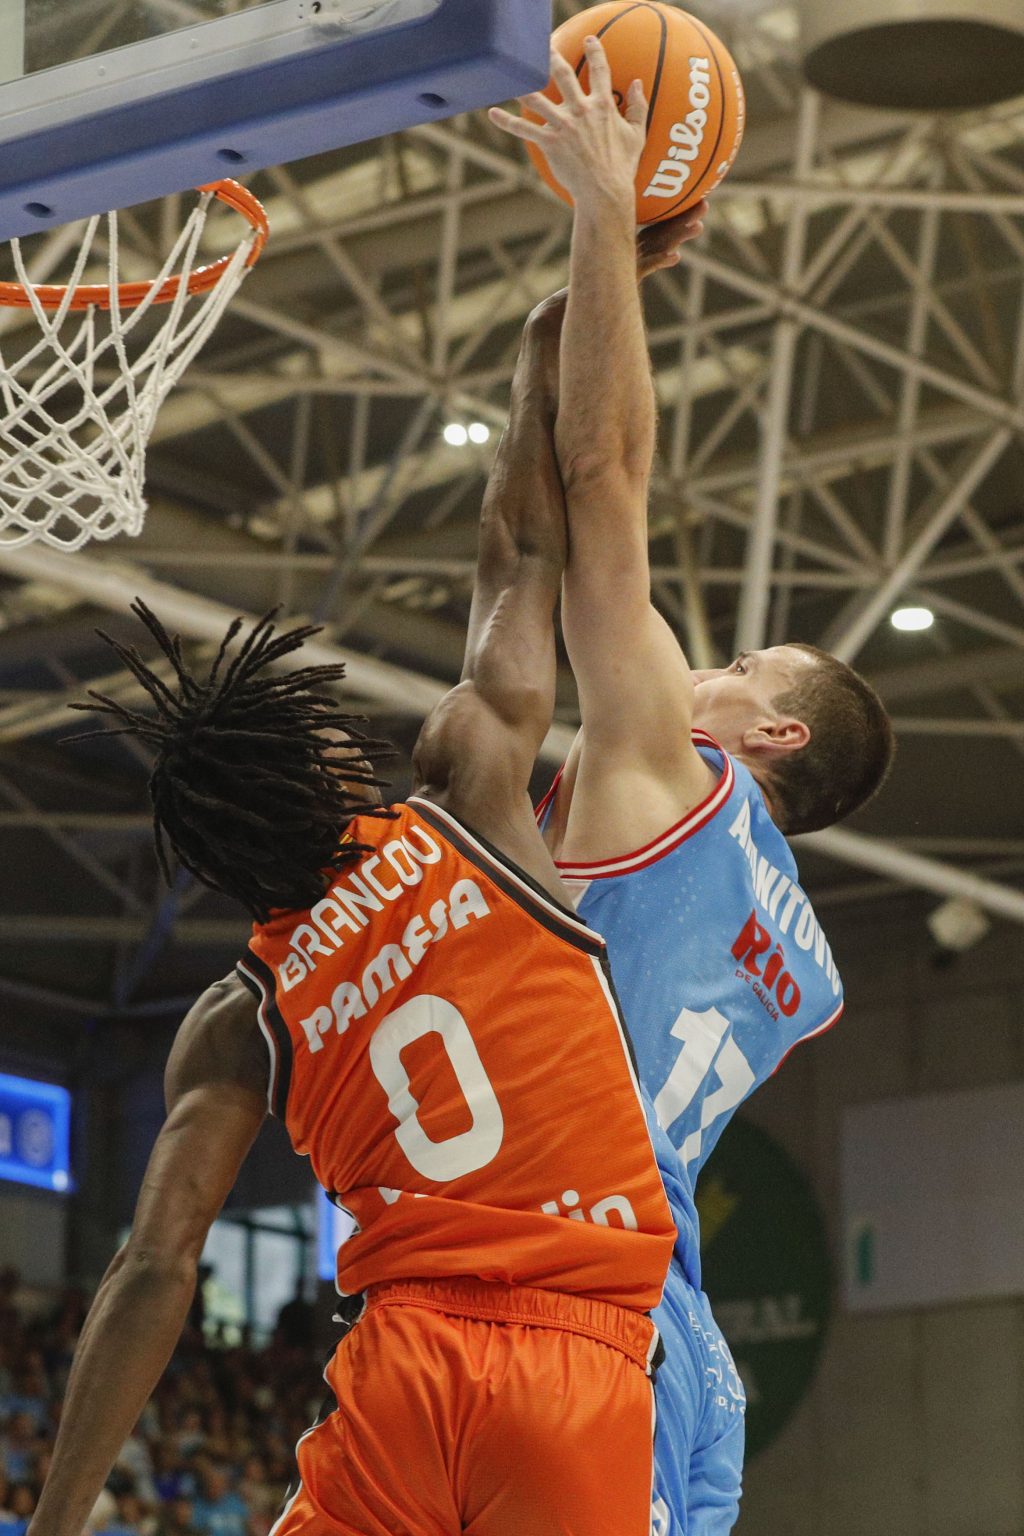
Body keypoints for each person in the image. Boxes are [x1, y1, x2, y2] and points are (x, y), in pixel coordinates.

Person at [26, 100, 678, 1530]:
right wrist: (558, 319)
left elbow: (154, 1269)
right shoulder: (468, 795)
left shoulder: (238, 1013)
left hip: (400, 1368)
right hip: (574, 1360)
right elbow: (529, 540)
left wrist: (57, 1517)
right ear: (323, 762)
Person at [490, 34, 895, 1535]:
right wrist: (570, 315)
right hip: (680, 1340)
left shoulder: (674, 771)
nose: (700, 669)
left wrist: (605, 218)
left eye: (737, 665)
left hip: (575, 1305)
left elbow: (604, 491)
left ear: (771, 738)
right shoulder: (801, 960)